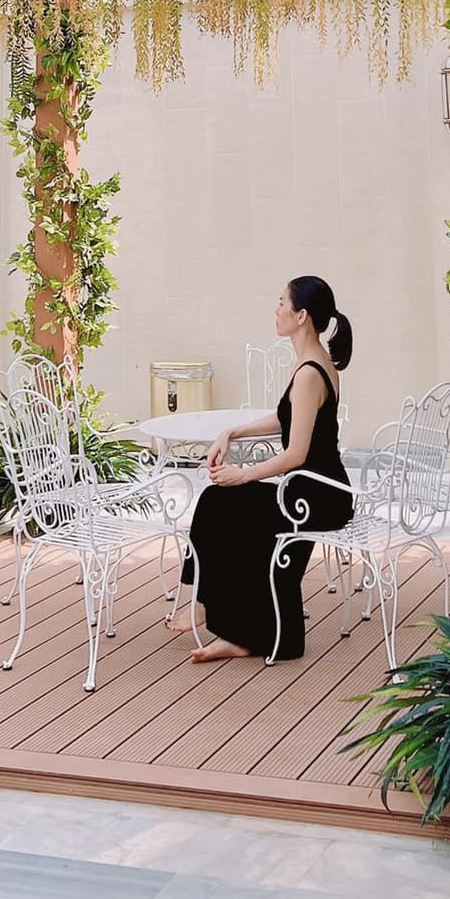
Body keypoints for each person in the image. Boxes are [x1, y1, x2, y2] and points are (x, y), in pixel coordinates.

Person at [175, 277, 354, 665]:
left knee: (223, 503)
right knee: (220, 502)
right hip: (309, 489)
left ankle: (213, 608)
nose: (276, 310)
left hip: (317, 494)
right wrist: (232, 432)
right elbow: (285, 417)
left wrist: (242, 474)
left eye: (281, 303)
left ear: (301, 316)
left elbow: (295, 454)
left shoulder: (309, 372)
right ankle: (227, 623)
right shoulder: (311, 363)